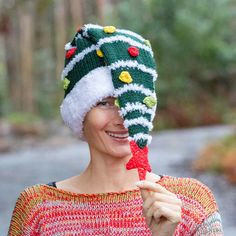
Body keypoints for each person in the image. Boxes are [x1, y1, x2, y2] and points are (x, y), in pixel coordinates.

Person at [8, 24, 223, 235]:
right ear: (79, 112)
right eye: (104, 103)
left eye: (132, 101)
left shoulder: (192, 204)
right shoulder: (38, 211)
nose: (123, 118)